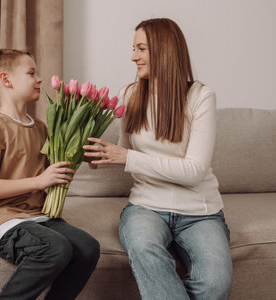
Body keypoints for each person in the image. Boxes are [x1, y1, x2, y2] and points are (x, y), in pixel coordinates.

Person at [83, 18, 232, 300]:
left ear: (163, 50)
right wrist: (102, 155)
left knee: (215, 285)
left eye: (141, 49)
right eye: (133, 48)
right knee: (145, 250)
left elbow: (194, 171)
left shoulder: (201, 97)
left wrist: (126, 157)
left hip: (200, 213)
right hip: (146, 207)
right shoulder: (130, 94)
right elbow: (124, 149)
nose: (133, 56)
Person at [0, 49, 100, 300]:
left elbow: (56, 169)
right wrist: (39, 181)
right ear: (6, 80)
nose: (40, 79)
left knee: (88, 247)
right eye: (31, 73)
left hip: (37, 216)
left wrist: (86, 157)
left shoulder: (40, 127)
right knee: (56, 248)